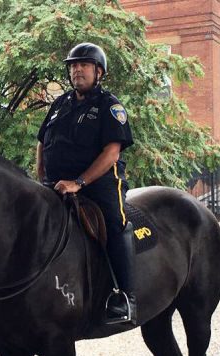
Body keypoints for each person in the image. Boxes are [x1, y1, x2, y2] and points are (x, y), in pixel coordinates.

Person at [35, 43, 137, 325]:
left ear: (98, 71)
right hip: (56, 184)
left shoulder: (110, 106)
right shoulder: (59, 104)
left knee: (115, 222)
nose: (77, 70)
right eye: (73, 66)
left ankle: (125, 296)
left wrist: (79, 182)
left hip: (98, 183)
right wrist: (41, 176)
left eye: (84, 65)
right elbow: (43, 142)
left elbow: (112, 152)